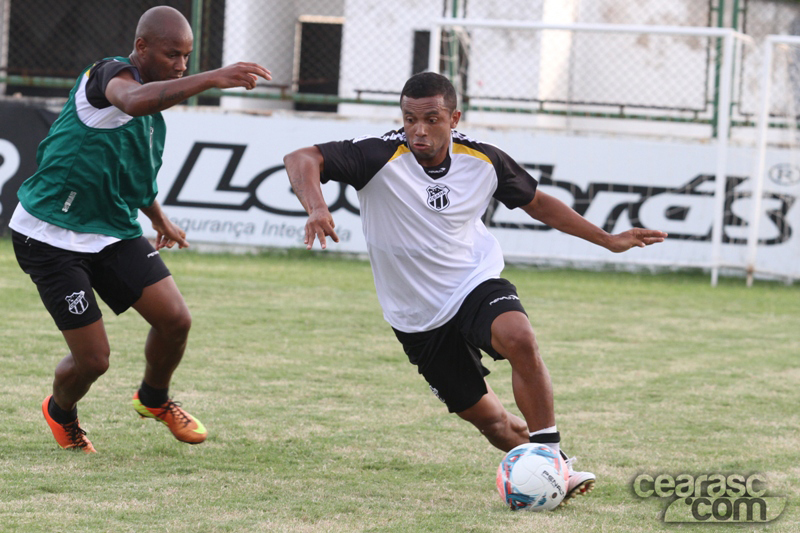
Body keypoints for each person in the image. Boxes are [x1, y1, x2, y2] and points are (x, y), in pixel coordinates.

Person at [284, 72, 667, 505]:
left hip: (472, 280)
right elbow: (301, 158)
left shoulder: (483, 159)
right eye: (410, 119)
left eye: (431, 119)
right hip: (416, 316)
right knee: (494, 424)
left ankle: (551, 454)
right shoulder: (376, 154)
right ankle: (554, 471)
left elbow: (538, 203)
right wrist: (317, 207)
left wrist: (607, 239)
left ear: (454, 118)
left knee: (519, 337)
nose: (418, 130)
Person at [9, 6, 271, 453]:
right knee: (94, 361)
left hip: (111, 230)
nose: (181, 65)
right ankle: (61, 411)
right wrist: (212, 77)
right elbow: (131, 100)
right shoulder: (108, 76)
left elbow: (132, 177)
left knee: (175, 320)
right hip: (50, 236)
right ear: (142, 46)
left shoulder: (153, 116)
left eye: (187, 57)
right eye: (173, 55)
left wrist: (158, 218)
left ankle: (154, 398)